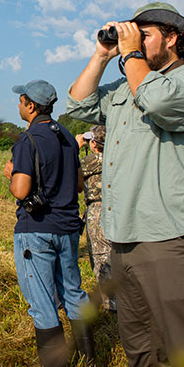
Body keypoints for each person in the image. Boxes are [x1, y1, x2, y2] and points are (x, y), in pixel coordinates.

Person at [66, 2, 184, 367]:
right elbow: (78, 104)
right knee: (142, 350)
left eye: (144, 36)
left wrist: (131, 55)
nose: (134, 42)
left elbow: (156, 102)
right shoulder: (125, 89)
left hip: (171, 237)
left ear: (172, 38)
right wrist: (102, 55)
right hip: (123, 239)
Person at [3, 79, 96, 367]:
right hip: (68, 228)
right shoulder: (66, 136)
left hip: (37, 230)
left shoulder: (27, 139)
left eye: (21, 101)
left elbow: (21, 190)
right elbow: (79, 185)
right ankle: (89, 359)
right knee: (73, 292)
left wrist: (11, 174)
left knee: (42, 302)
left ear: (31, 106)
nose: (19, 104)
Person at [75, 125, 114, 313]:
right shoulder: (116, 158)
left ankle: (111, 304)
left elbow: (70, 170)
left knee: (101, 257)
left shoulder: (93, 161)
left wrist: (75, 147)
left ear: (95, 143)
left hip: (98, 210)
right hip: (116, 208)